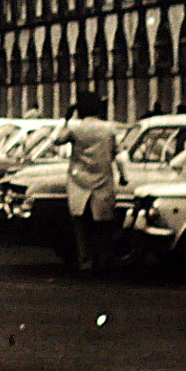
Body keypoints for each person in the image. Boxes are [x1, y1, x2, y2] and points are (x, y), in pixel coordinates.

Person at [62, 90, 124, 272]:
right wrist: (124, 177)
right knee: (103, 226)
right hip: (103, 181)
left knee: (81, 227)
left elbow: (56, 140)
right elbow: (118, 154)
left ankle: (85, 261)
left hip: (78, 182)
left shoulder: (75, 129)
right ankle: (103, 261)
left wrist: (66, 119)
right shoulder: (109, 128)